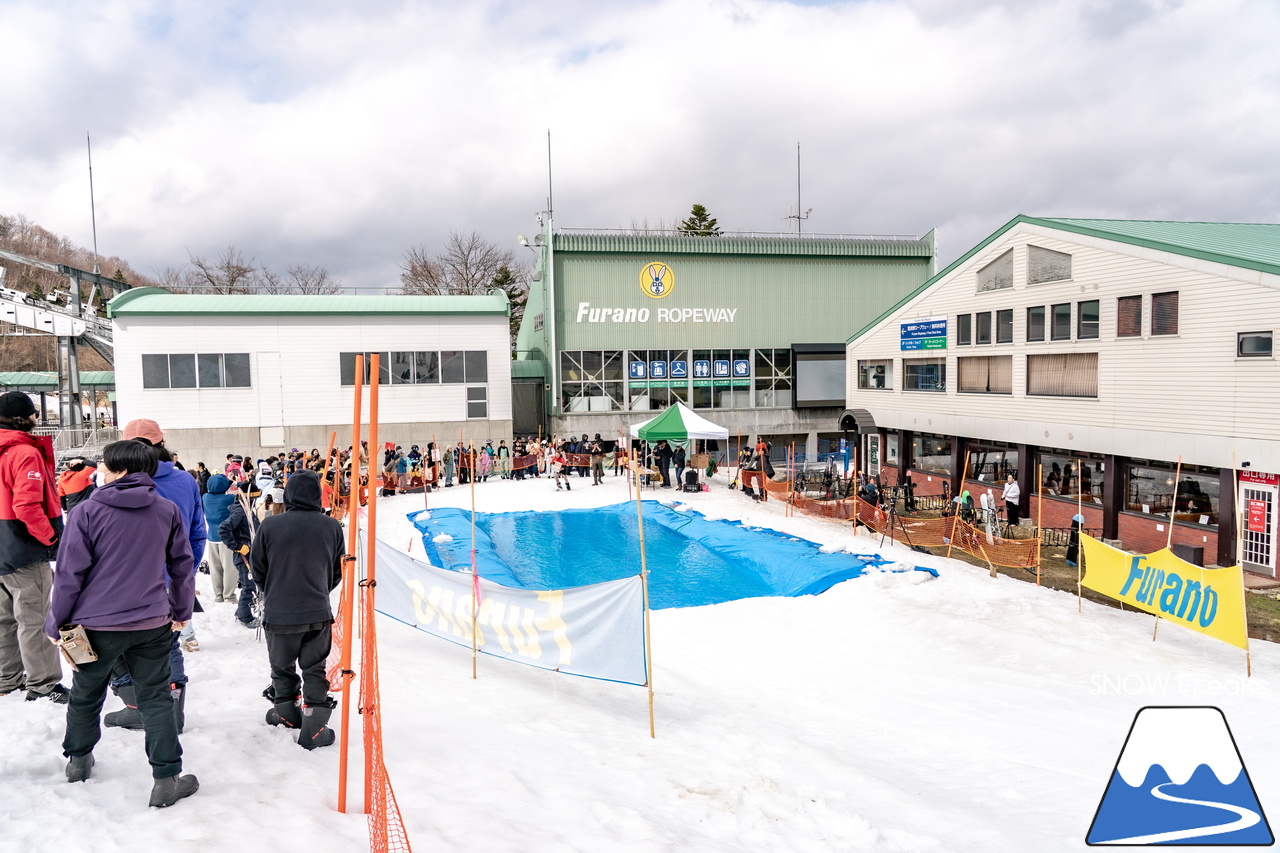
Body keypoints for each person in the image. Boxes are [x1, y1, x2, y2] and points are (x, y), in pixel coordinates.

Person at [45, 439, 198, 807]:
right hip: (151, 622)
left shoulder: (85, 512)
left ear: (121, 471)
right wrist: (181, 612)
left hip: (94, 627)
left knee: (85, 694)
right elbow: (181, 566)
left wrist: (56, 623)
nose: (100, 471)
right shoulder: (166, 510)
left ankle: (78, 761)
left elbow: (69, 575)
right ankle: (166, 778)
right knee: (156, 698)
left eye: (105, 466)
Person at [103, 419, 207, 730]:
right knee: (168, 642)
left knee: (112, 643)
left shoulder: (115, 482)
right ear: (161, 443)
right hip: (169, 581)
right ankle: (171, 706)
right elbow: (198, 533)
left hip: (122, 581)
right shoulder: (185, 481)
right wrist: (183, 574)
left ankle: (136, 704)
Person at [250, 470, 345, 749]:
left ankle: (288, 715)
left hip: (280, 613)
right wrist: (318, 590)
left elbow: (258, 569)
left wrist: (277, 590)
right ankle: (314, 727)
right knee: (315, 668)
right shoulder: (331, 526)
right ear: (317, 494)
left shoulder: (270, 526)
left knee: (281, 667)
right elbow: (338, 570)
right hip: (317, 611)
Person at [0, 391, 68, 703]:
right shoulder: (23, 452)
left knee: (4, 618)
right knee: (34, 617)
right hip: (23, 547)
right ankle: (43, 684)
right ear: (29, 417)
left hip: (2, 546)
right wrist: (50, 538)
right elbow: (27, 506)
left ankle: (7, 677)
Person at [219, 482, 262, 629]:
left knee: (250, 585)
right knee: (248, 586)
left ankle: (241, 611)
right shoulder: (240, 511)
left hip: (250, 554)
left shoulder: (247, 509)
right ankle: (245, 616)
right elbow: (223, 529)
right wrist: (237, 546)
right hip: (243, 556)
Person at [202, 472, 238, 603]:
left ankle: (218, 595)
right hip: (227, 538)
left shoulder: (205, 497)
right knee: (229, 567)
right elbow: (240, 492)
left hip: (211, 536)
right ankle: (229, 596)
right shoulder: (229, 499)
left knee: (215, 568)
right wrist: (235, 483)